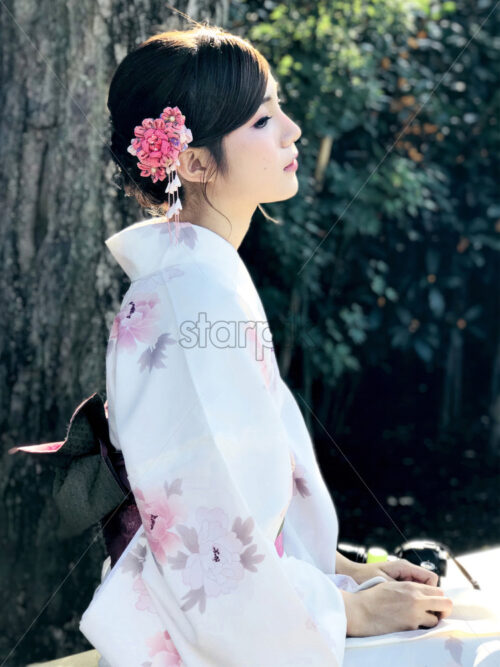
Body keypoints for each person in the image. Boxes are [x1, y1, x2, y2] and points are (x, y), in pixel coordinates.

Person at [79, 23, 453, 666]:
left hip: (253, 605)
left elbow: (246, 502)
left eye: (278, 107)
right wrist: (347, 610)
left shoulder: (200, 281)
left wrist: (350, 571)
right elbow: (200, 517)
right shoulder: (185, 296)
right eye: (261, 119)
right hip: (215, 631)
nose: (291, 131)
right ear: (193, 162)